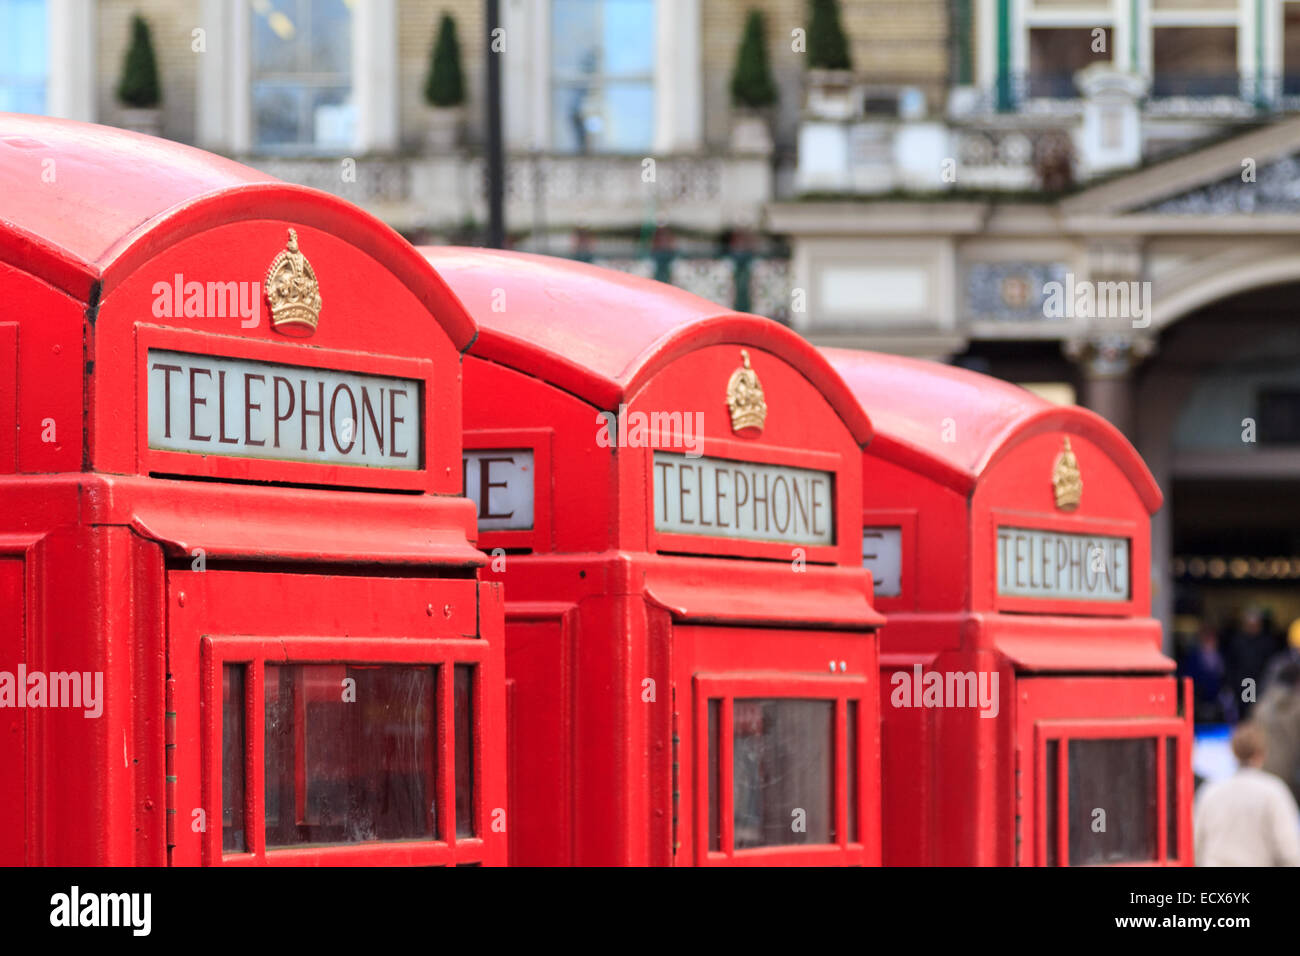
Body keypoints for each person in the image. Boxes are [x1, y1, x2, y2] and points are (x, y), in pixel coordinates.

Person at [1194, 722, 1300, 866]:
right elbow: (1289, 852)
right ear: (1262, 753)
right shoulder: (1274, 792)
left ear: (1233, 751)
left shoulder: (1210, 791)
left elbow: (1195, 846)